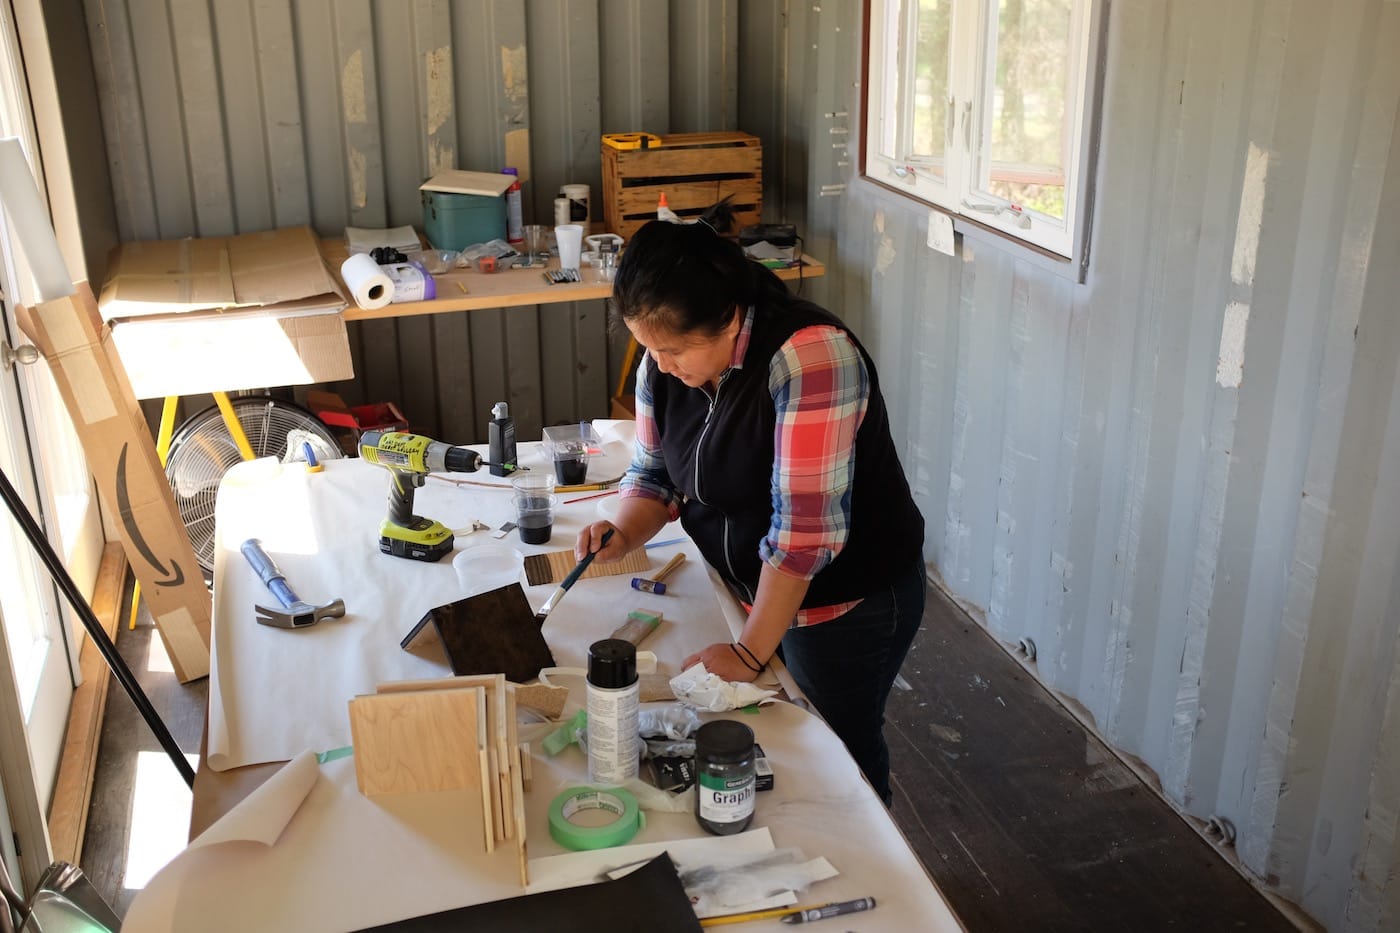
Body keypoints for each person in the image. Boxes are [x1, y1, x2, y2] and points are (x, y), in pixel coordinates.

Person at [575, 200, 926, 805]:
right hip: (749, 587)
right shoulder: (664, 362)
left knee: (837, 754)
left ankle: (874, 844)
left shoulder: (811, 357)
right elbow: (654, 473)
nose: (661, 366)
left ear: (729, 318)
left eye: (675, 351)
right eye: (649, 348)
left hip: (842, 601)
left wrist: (747, 651)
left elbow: (802, 535)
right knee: (778, 751)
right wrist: (625, 531)